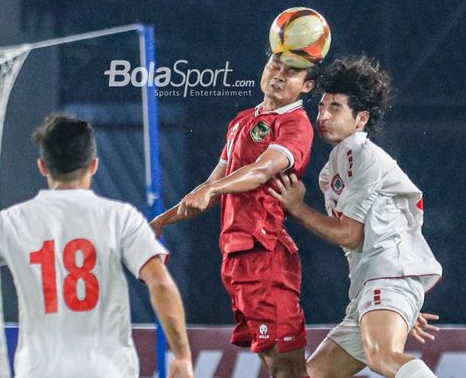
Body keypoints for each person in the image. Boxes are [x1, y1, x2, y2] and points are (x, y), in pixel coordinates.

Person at [0, 114, 194, 378]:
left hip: (40, 371)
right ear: (94, 165)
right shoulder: (120, 217)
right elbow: (161, 283)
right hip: (108, 370)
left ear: (43, 166)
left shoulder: (9, 222)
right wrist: (182, 356)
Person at [269, 56, 443, 378]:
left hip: (387, 275)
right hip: (376, 286)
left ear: (361, 118)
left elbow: (351, 234)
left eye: (335, 108)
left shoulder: (360, 154)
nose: (323, 115)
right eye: (321, 107)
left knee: (382, 357)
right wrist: (397, 307)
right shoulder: (335, 167)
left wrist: (297, 207)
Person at [150, 53, 316, 378]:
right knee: (276, 366)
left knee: (288, 369)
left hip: (266, 256)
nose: (279, 75)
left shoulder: (296, 124)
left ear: (306, 86)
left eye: (292, 72)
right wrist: (162, 222)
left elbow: (261, 170)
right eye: (275, 66)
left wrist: (211, 191)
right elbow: (211, 186)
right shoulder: (242, 121)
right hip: (237, 260)